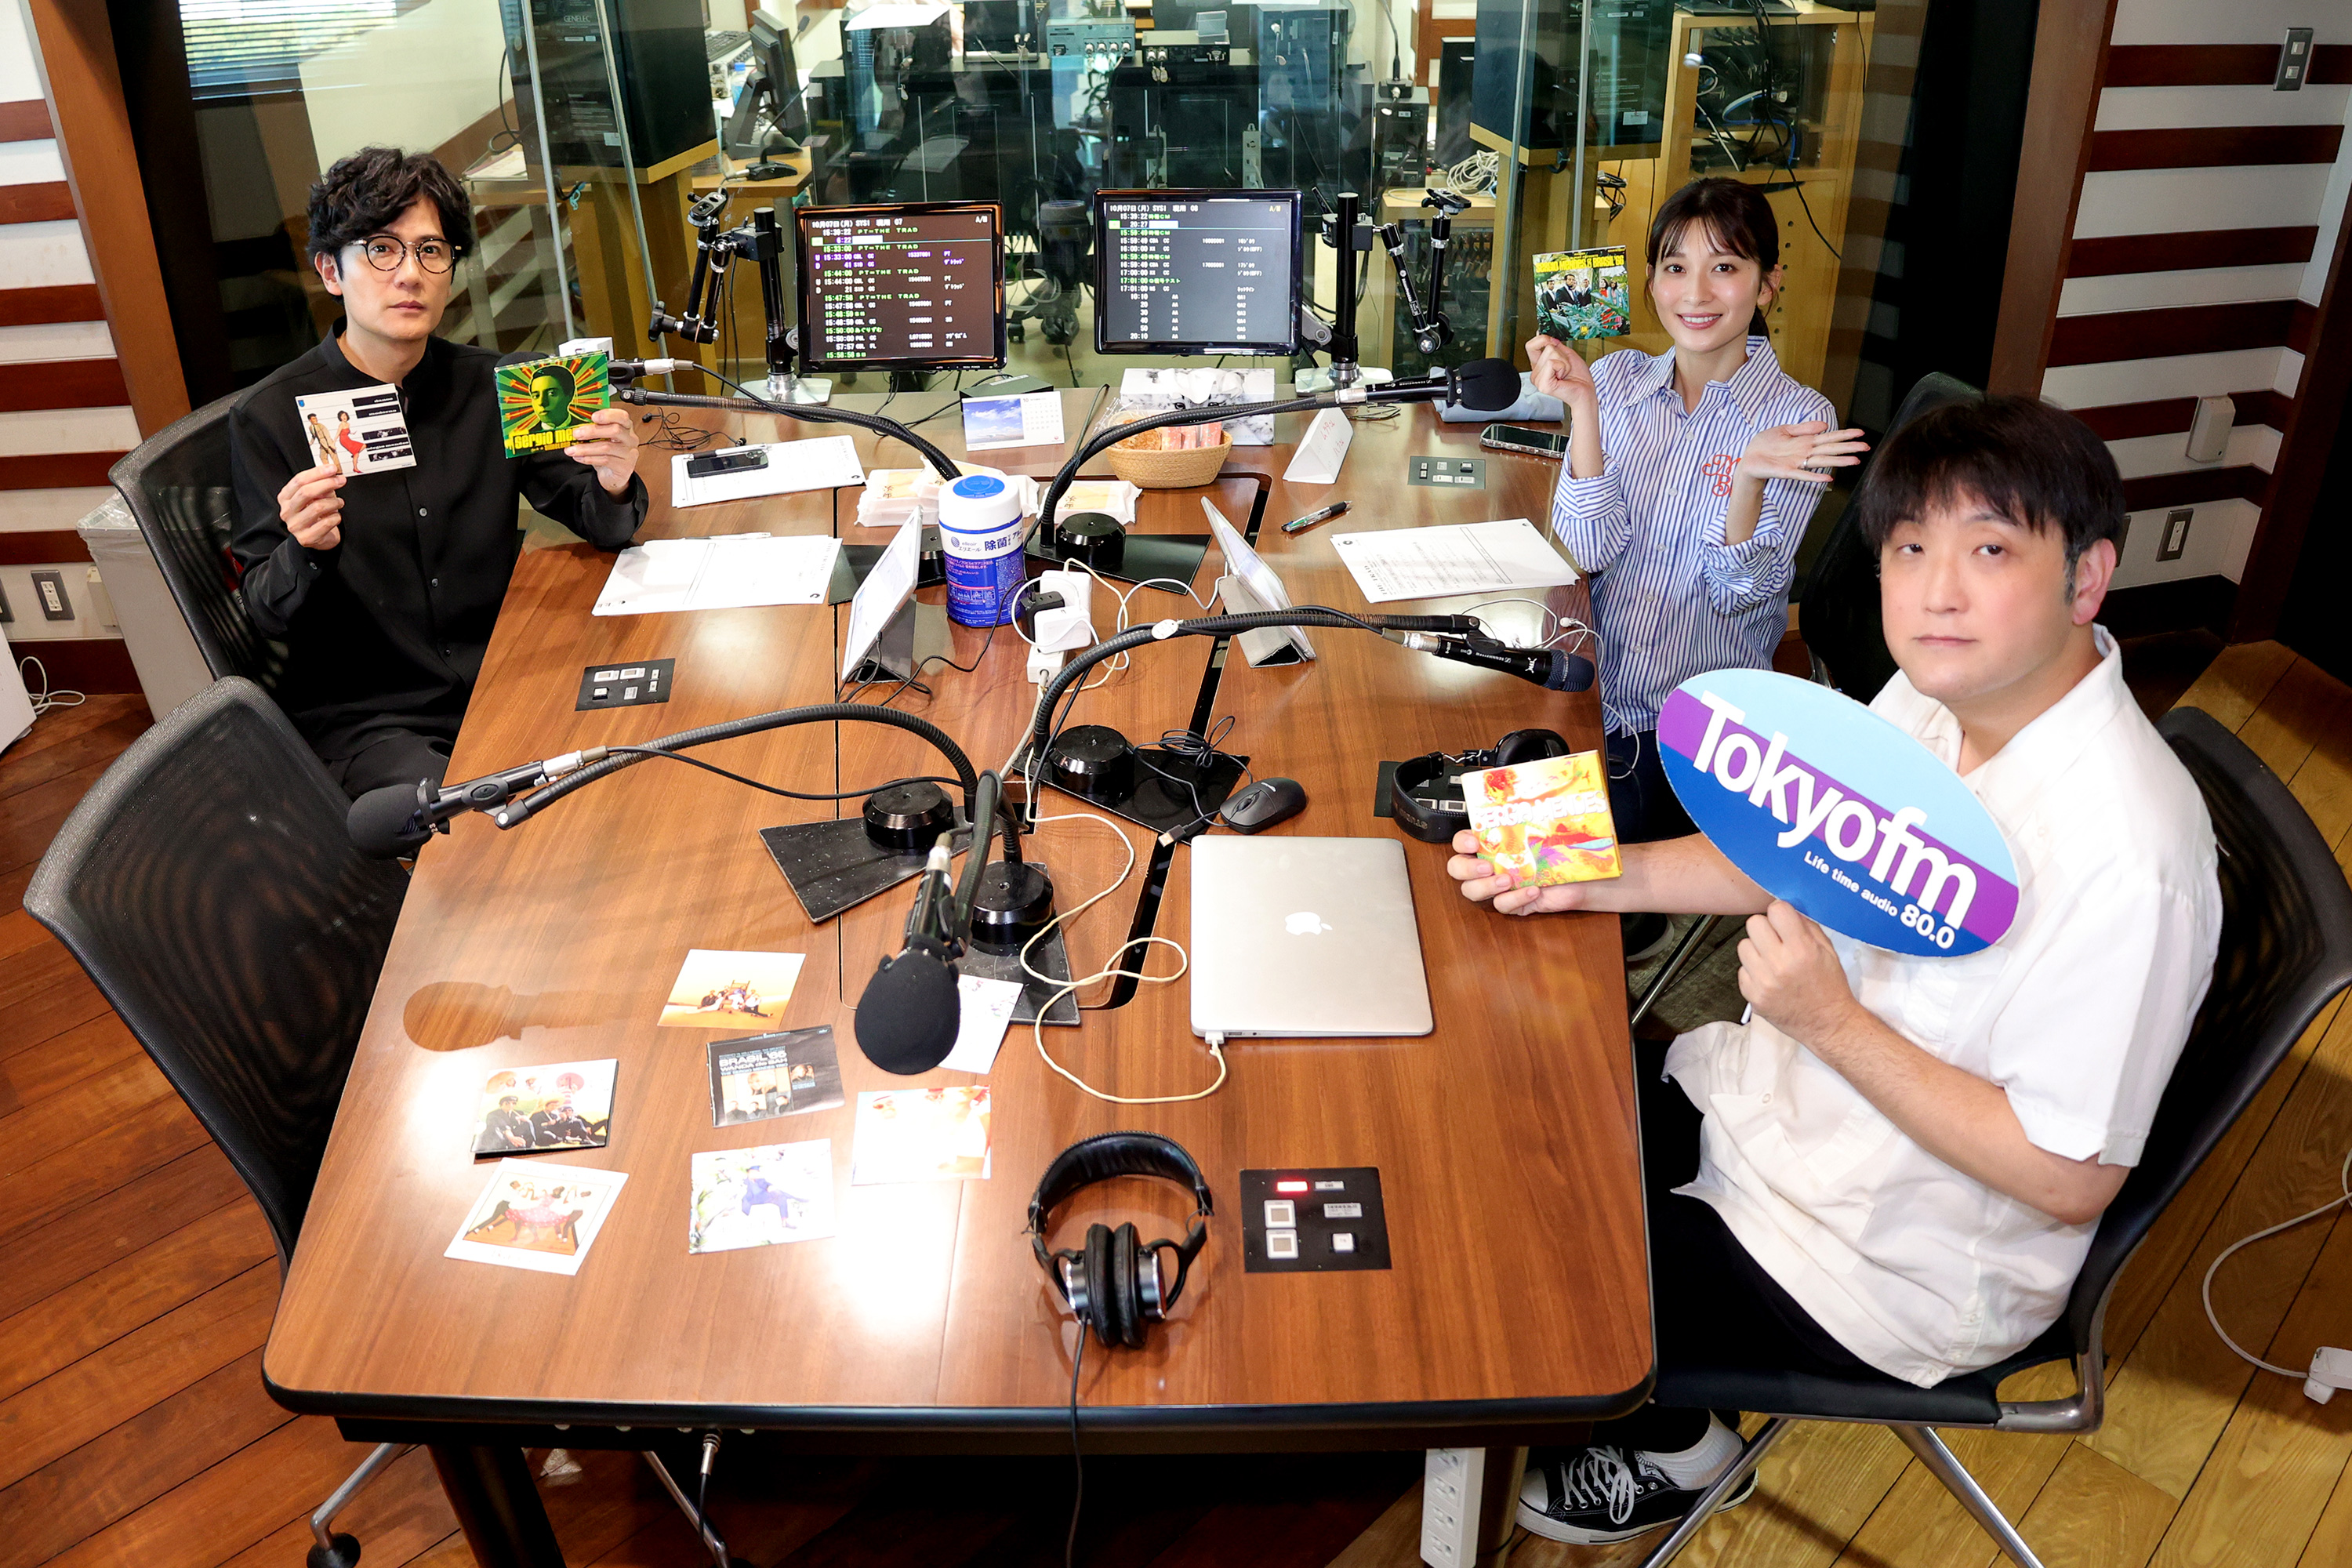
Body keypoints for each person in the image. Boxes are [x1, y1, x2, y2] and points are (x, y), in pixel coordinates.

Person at [1450, 397, 2221, 1547]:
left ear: (2088, 577)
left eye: (1990, 551)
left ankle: (1680, 1442)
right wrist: (1583, 870)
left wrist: (1830, 1022)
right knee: (1496, 1111)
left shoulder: (2129, 856)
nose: (1937, 593)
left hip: (1871, 1264)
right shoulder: (1936, 692)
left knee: (1496, 1265)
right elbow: (1783, 847)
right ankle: (1667, 1413)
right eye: (1910, 548)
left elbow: (2067, 1176)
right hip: (1765, 1113)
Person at [229, 147, 646, 800]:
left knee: (638, 755)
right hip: (375, 718)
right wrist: (303, 547)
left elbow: (597, 518)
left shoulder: (499, 384)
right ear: (331, 271)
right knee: (485, 820)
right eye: (381, 250)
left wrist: (613, 479)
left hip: (505, 674)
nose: (410, 274)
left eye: (431, 251)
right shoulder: (271, 416)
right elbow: (265, 613)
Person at [1527, 177, 1867, 957]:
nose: (1697, 293)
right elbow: (1588, 550)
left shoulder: (1800, 417)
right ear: (1650, 282)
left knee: (1543, 887)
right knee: (1476, 807)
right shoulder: (1617, 380)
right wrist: (1584, 409)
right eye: (1676, 268)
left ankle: (1622, 937)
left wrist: (1747, 478)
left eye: (1726, 268)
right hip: (1590, 689)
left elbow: (1738, 592)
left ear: (1768, 283)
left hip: (1681, 731)